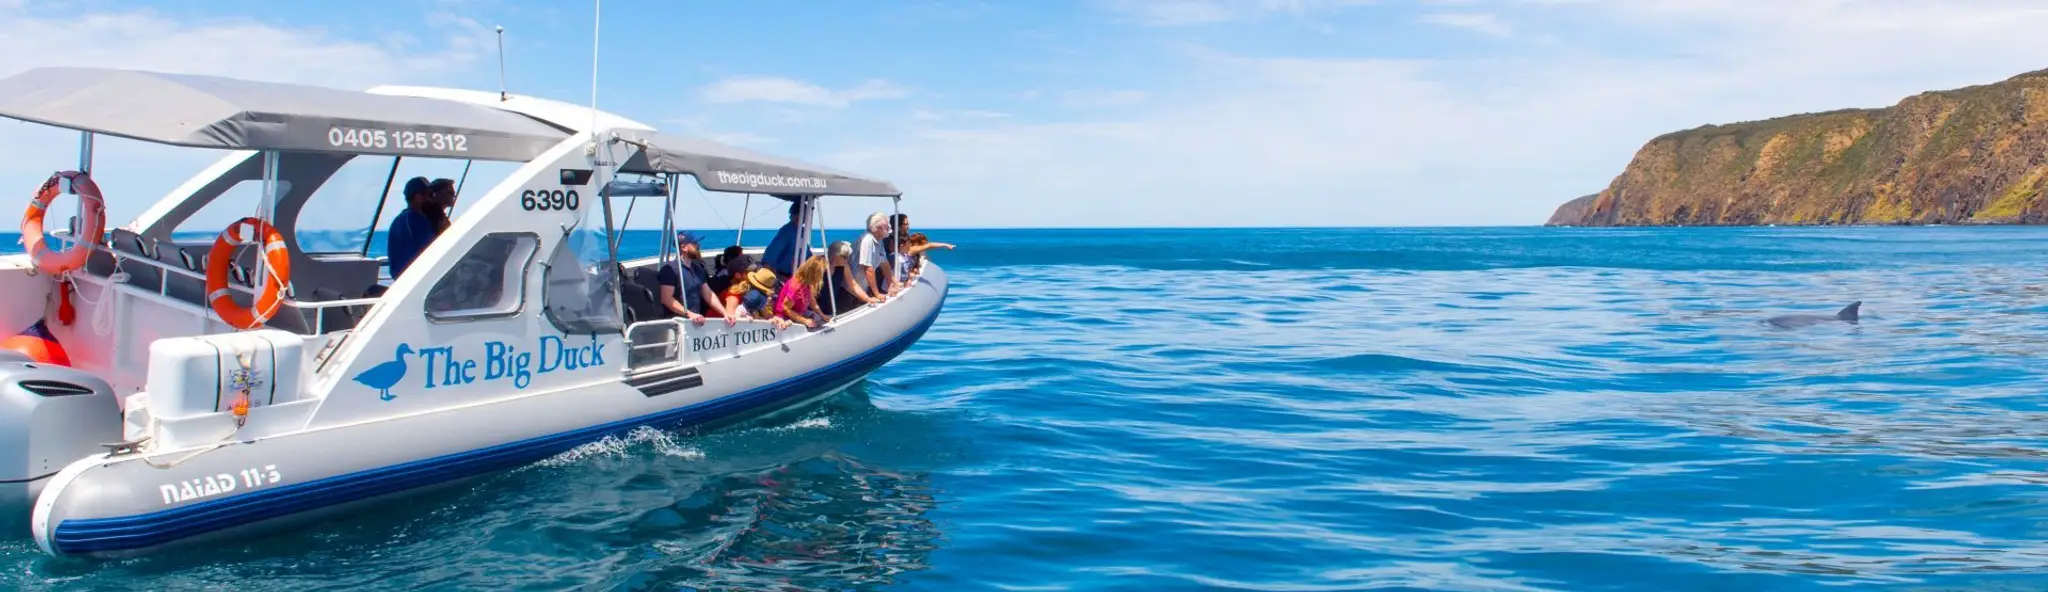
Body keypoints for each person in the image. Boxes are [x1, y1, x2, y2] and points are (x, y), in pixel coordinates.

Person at [656, 231, 736, 326]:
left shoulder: (698, 269)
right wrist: (690, 314)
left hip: (694, 322)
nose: (698, 246)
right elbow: (667, 299)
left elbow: (708, 294)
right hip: (676, 323)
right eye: (694, 244)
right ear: (684, 247)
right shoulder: (670, 270)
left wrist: (725, 313)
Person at [385, 176, 445, 278]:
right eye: (429, 194)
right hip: (413, 276)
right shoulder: (415, 219)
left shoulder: (401, 219)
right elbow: (432, 248)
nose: (432, 198)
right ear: (418, 197)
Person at [718, 252, 790, 330]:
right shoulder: (733, 294)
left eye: (755, 270)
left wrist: (777, 319)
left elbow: (765, 314)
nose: (755, 273)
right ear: (738, 275)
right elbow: (730, 319)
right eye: (750, 271)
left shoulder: (756, 291)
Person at [773, 254, 831, 330]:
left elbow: (811, 299)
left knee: (819, 319)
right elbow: (785, 308)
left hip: (799, 313)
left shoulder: (807, 283)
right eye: (822, 272)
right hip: (784, 317)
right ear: (815, 273)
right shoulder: (796, 287)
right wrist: (805, 321)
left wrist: (822, 315)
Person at [853, 212, 901, 300]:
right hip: (852, 290)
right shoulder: (868, 241)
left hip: (863, 286)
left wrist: (891, 283)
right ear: (878, 228)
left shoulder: (879, 240)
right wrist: (877, 294)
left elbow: (885, 264)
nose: (889, 228)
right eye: (887, 227)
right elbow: (868, 269)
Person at [822, 240, 870, 315]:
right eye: (845, 257)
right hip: (816, 307)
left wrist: (868, 299)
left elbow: (853, 285)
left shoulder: (844, 266)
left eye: (848, 256)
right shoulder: (820, 266)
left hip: (831, 307)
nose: (847, 259)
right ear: (835, 255)